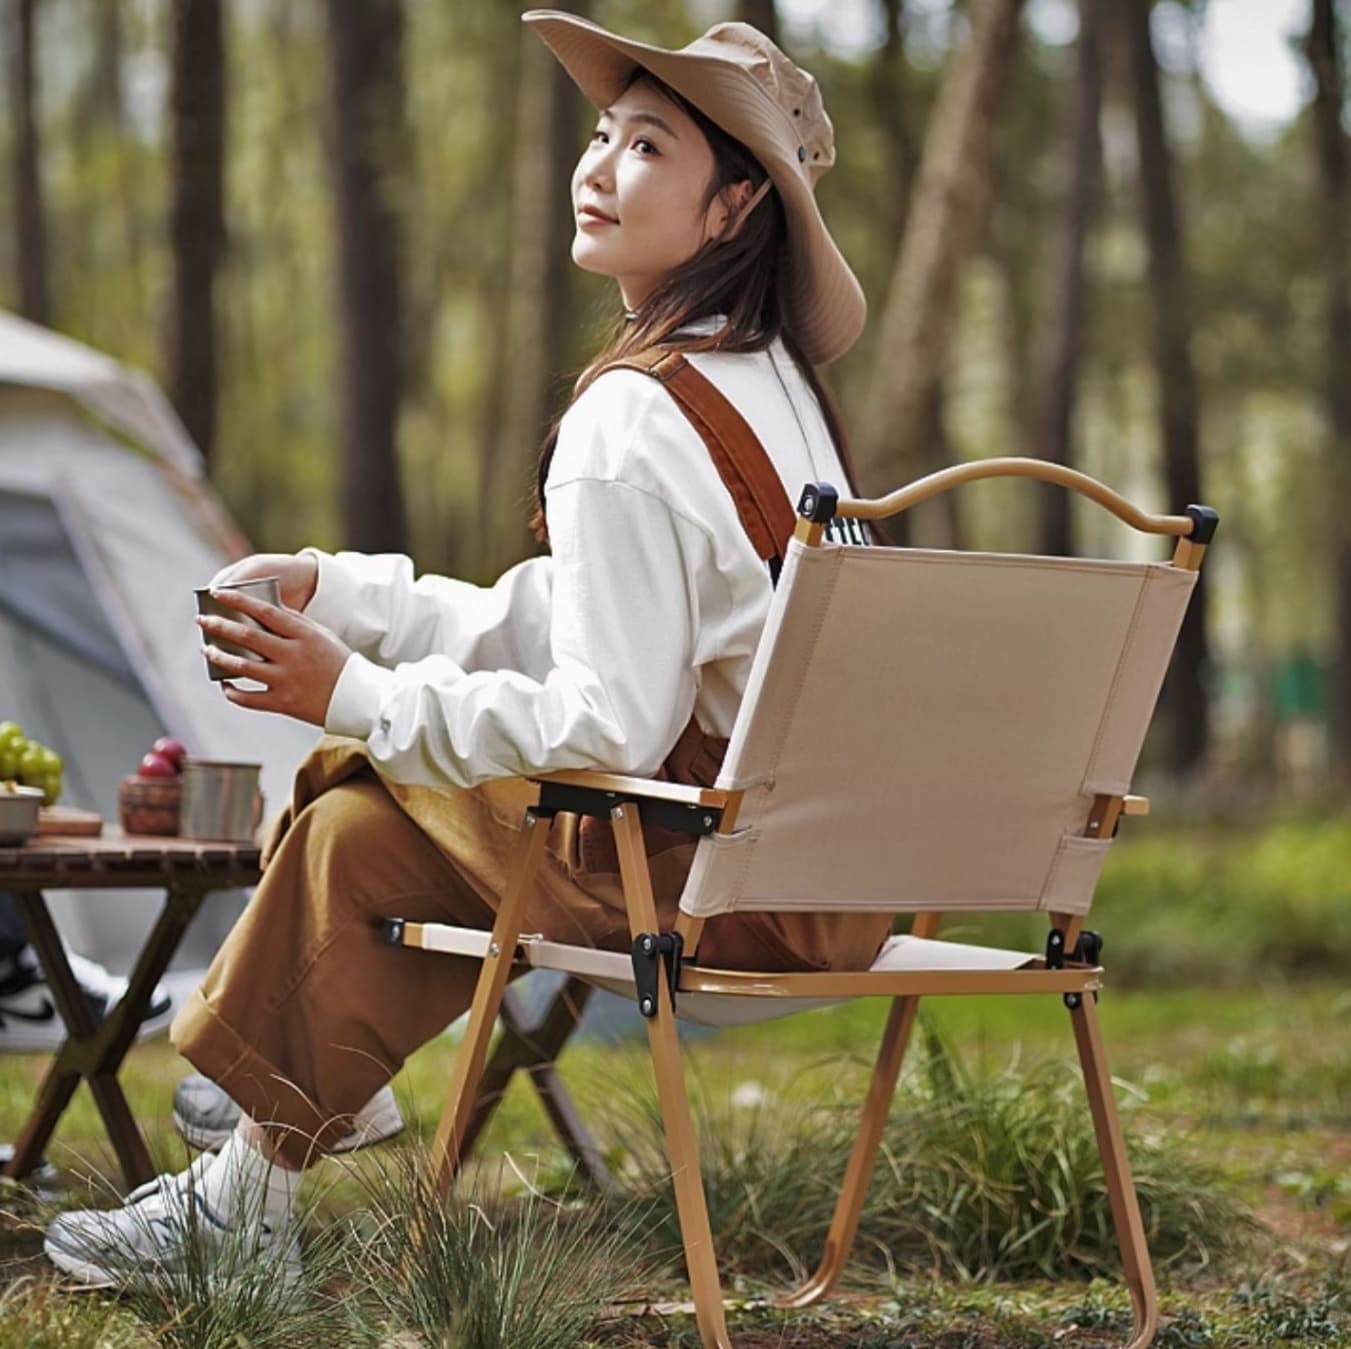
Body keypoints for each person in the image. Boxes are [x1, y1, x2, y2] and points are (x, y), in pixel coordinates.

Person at [44, 9, 889, 1284]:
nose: (598, 166)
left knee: (357, 786)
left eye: (648, 145)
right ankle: (262, 1160)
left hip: (719, 898)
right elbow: (572, 617)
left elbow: (607, 723)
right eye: (603, 134)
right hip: (837, 887)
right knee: (372, 817)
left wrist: (358, 690)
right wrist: (349, 593)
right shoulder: (769, 392)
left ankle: (261, 1132)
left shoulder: (634, 416)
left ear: (730, 210)